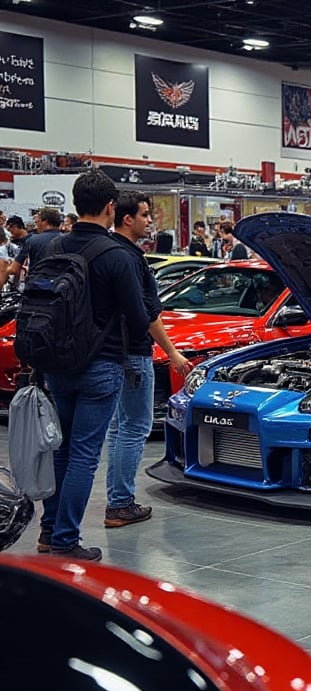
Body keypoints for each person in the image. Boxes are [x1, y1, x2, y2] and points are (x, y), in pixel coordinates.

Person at [34, 171, 151, 561]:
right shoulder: (116, 255)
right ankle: (66, 542)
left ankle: (49, 533)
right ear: (110, 207)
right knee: (84, 454)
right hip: (101, 365)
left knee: (61, 451)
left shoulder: (52, 247)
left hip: (56, 364)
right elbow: (139, 319)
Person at [105, 191, 192, 528]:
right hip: (133, 354)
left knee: (119, 429)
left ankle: (117, 499)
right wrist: (171, 352)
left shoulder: (110, 253)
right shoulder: (131, 259)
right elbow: (147, 313)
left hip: (112, 353)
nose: (149, 221)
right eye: (144, 215)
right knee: (135, 428)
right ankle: (120, 503)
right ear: (127, 219)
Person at [7, 207, 63, 286]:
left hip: (36, 289)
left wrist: (3, 269)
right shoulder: (67, 241)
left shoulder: (32, 241)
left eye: (37, 222)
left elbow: (14, 269)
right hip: (61, 289)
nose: (36, 226)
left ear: (44, 221)